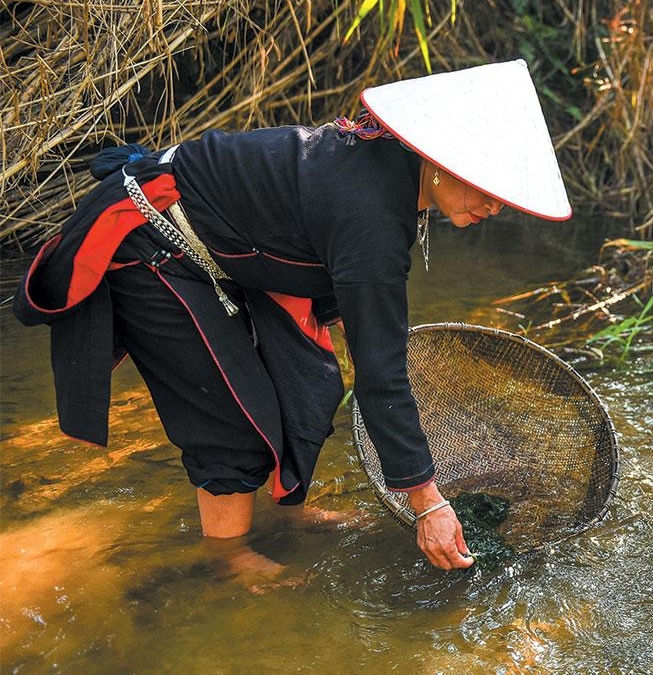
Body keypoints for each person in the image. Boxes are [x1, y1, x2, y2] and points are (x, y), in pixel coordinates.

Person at [13, 59, 572, 574]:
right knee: (231, 418)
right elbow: (379, 373)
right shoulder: (372, 215)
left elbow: (365, 327)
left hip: (220, 250)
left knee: (302, 387)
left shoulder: (390, 174)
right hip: (150, 242)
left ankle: (288, 518)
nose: (495, 207)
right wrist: (429, 504)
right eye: (488, 189)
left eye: (505, 199)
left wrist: (377, 349)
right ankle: (227, 561)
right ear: (442, 161)